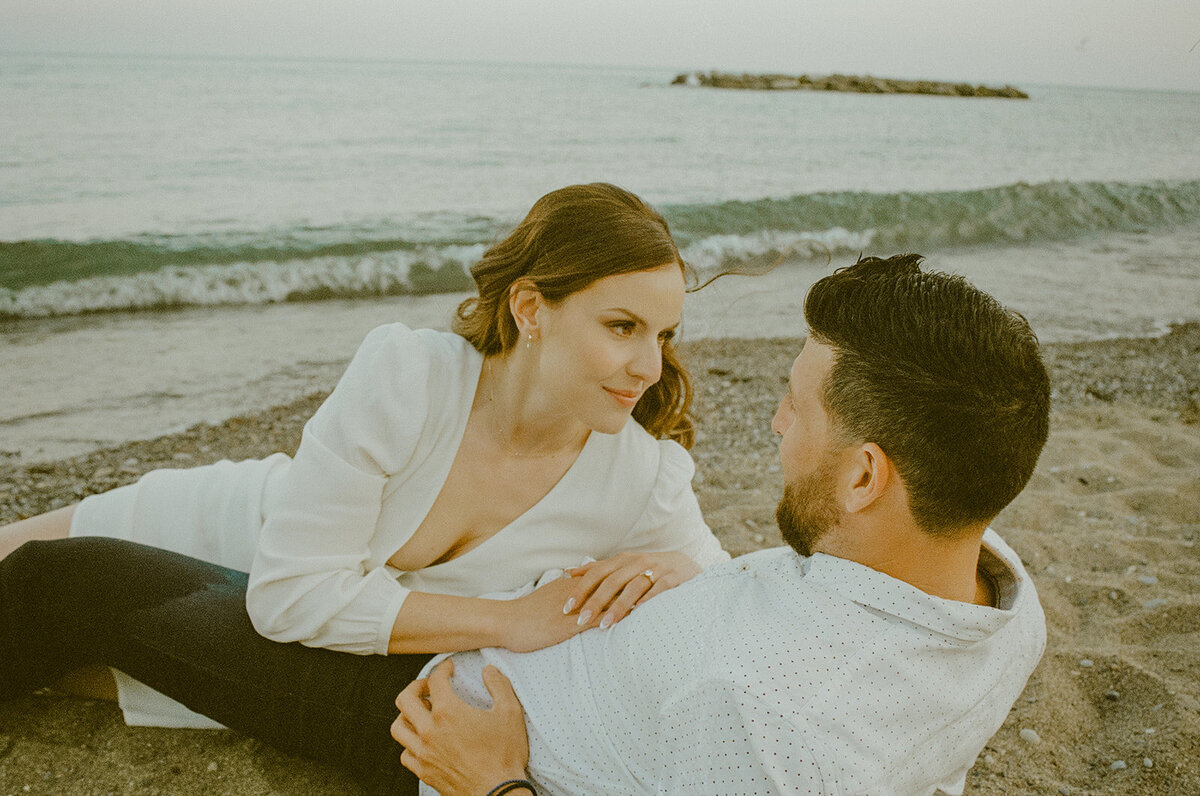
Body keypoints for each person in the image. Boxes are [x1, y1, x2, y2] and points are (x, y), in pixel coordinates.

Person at [0, 254, 1050, 794]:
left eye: (798, 406)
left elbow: (782, 723)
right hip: (520, 652)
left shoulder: (769, 712)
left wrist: (494, 774)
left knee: (74, 580)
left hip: (432, 721)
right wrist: (697, 580)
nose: (774, 421)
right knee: (120, 613)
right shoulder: (996, 594)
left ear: (867, 474)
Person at [0, 183, 727, 730]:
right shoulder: (411, 375)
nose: (649, 367)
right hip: (215, 530)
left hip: (248, 642)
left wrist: (684, 568)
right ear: (530, 308)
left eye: (662, 335)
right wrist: (510, 619)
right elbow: (291, 594)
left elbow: (730, 603)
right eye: (622, 326)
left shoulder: (641, 476)